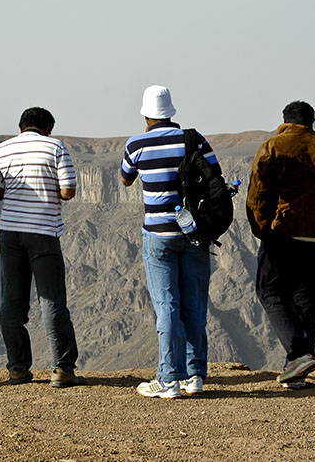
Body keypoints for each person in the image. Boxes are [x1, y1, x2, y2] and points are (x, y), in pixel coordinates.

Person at [120, 85, 221, 399]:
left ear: (146, 115)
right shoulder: (195, 139)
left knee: (167, 306)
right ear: (171, 112)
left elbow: (126, 178)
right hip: (194, 234)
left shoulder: (136, 144)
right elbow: (215, 175)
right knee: (195, 305)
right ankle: (195, 376)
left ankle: (168, 380)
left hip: (158, 237)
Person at [245, 100, 315, 388]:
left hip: (283, 232)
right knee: (306, 298)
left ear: (284, 120)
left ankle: (298, 353)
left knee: (270, 290)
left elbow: (258, 192)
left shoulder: (273, 147)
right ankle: (297, 373)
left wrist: (261, 228)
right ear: (312, 121)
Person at [0, 107, 85, 388]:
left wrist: (13, 193)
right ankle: (62, 369)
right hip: (43, 232)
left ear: (21, 126)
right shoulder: (55, 147)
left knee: (11, 300)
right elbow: (68, 191)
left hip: (10, 233)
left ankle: (17, 368)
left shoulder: (2, 148)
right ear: (48, 128)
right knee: (50, 300)